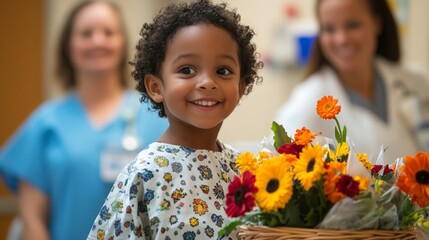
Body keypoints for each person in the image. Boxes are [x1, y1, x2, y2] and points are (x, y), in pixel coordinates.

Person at [87, 0, 263, 239]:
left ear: (241, 87)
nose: (207, 82)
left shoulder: (245, 169)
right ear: (156, 87)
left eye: (223, 71)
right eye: (187, 70)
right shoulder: (144, 174)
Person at [0, 1, 168, 240]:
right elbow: (33, 221)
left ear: (122, 43)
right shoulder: (46, 122)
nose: (97, 41)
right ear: (68, 45)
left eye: (108, 32)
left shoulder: (158, 114)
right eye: (86, 34)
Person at [273, 0, 429, 161]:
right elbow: (281, 166)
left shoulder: (414, 81)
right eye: (329, 28)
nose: (342, 39)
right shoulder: (306, 102)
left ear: (377, 23)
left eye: (353, 25)